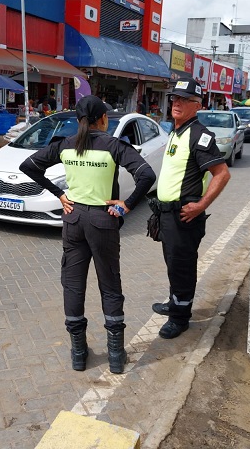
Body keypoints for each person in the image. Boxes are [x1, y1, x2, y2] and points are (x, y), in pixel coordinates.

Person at [19, 95, 156, 373]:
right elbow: (146, 175)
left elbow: (29, 167)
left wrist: (60, 195)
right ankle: (116, 357)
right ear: (102, 119)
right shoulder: (113, 146)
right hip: (103, 220)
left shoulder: (67, 145)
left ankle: (78, 354)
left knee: (73, 283)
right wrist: (127, 205)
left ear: (79, 120)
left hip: (73, 218)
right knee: (109, 284)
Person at [150, 76, 231, 339]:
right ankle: (176, 303)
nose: (177, 103)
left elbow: (222, 174)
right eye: (175, 98)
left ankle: (180, 318)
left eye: (186, 100)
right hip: (167, 215)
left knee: (182, 266)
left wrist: (201, 205)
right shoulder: (176, 131)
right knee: (173, 264)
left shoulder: (199, 135)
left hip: (183, 217)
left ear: (198, 105)